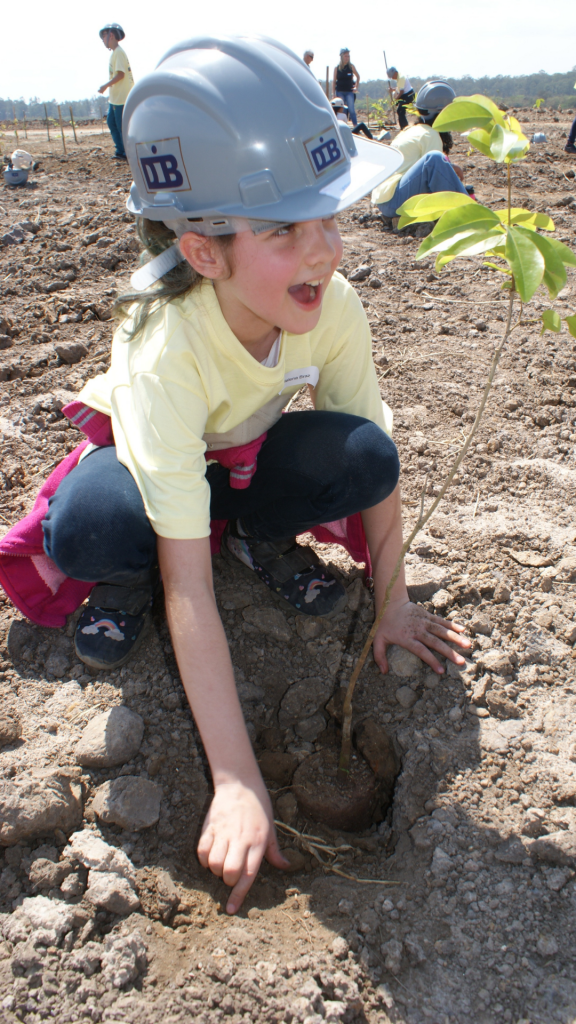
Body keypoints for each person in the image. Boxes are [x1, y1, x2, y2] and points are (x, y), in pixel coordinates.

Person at [28, 37, 469, 914]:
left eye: (330, 218)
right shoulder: (164, 347)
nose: (322, 252)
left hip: (243, 463)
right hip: (156, 467)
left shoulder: (329, 307)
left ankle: (260, 540)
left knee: (364, 454)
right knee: (88, 527)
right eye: (281, 231)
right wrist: (234, 778)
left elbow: (375, 470)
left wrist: (395, 601)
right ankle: (121, 585)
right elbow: (186, 582)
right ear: (203, 252)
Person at [372, 80, 470, 220]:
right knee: (435, 159)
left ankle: (464, 207)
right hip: (394, 201)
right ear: (441, 114)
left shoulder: (413, 130)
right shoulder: (430, 134)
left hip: (386, 200)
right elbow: (434, 170)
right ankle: (468, 213)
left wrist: (452, 169)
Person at [98, 23, 134, 161]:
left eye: (104, 36)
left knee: (120, 126)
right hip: (115, 98)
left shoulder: (119, 52)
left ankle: (126, 152)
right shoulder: (115, 54)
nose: (103, 40)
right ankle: (120, 150)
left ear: (111, 35)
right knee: (112, 122)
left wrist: (105, 86)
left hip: (122, 97)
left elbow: (120, 74)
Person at [333, 48, 359, 126]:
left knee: (351, 110)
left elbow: (358, 76)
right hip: (340, 91)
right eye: (345, 56)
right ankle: (343, 127)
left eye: (348, 56)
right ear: (341, 56)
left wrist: (356, 87)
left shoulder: (351, 67)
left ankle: (355, 126)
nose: (347, 58)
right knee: (342, 110)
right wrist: (333, 93)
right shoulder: (337, 68)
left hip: (349, 91)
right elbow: (334, 81)